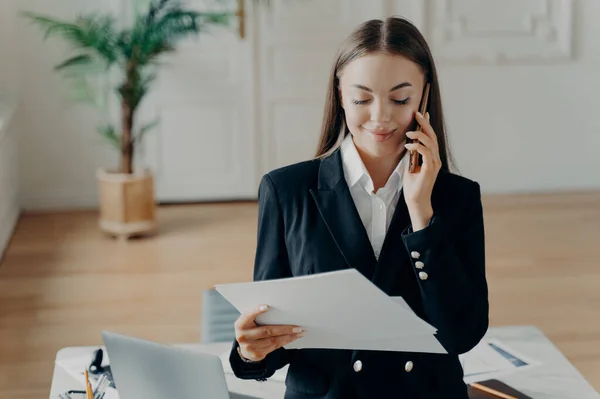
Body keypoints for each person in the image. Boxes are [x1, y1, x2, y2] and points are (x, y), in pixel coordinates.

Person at [228, 16, 489, 399]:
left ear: (424, 96)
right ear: (339, 95)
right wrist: (250, 352)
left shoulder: (457, 197)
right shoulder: (286, 191)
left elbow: (461, 335)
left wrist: (421, 213)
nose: (381, 116)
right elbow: (273, 332)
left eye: (400, 99)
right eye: (362, 98)